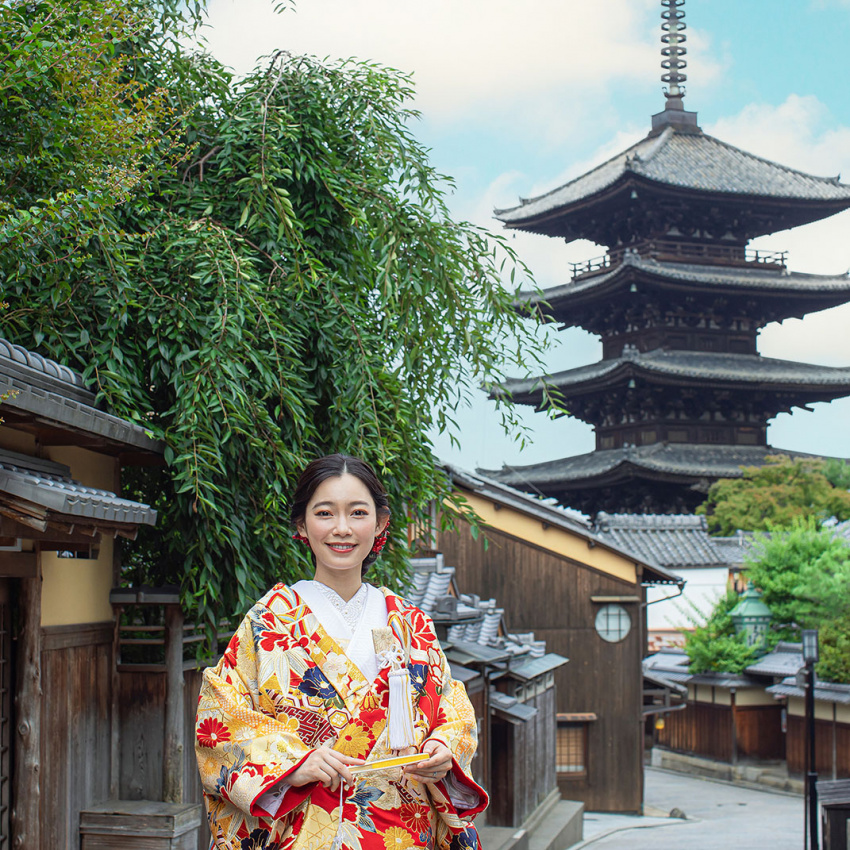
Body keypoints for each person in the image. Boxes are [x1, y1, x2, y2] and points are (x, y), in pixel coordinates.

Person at [196, 454, 487, 850]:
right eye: (325, 513)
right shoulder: (269, 622)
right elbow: (220, 716)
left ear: (380, 523)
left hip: (401, 830)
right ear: (302, 523)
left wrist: (444, 750)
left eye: (358, 512)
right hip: (303, 829)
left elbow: (451, 707)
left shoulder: (410, 623)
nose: (342, 528)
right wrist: (291, 765)